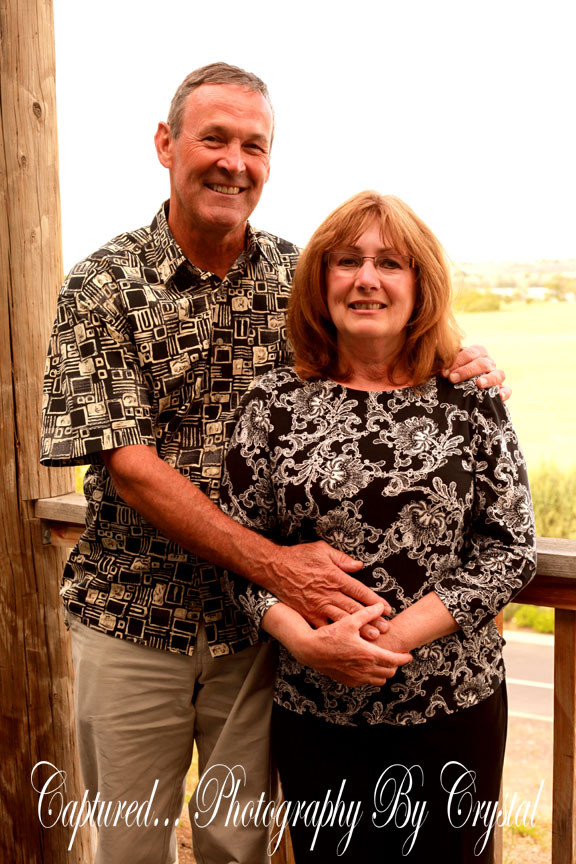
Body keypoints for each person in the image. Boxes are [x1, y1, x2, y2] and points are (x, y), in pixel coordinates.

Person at [40, 62, 509, 864]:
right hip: (135, 619)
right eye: (214, 139)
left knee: (239, 847)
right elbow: (130, 466)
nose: (234, 162)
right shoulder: (102, 286)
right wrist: (278, 568)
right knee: (129, 846)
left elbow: (385, 340)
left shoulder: (299, 279)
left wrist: (463, 361)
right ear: (166, 144)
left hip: (258, 643)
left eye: (253, 146)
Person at [220, 190, 536, 863]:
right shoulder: (274, 402)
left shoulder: (469, 397)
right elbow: (241, 557)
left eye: (390, 263)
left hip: (453, 707)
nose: (367, 279)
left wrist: (387, 641)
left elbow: (510, 549)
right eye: (347, 261)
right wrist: (309, 644)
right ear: (321, 281)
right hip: (317, 711)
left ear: (420, 285)